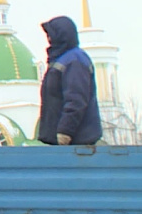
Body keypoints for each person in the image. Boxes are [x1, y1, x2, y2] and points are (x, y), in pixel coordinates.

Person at [36, 16, 103, 146]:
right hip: (65, 142)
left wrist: (65, 132)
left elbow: (76, 100)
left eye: (51, 35)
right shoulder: (62, 59)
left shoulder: (75, 60)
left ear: (61, 36)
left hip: (77, 142)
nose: (49, 40)